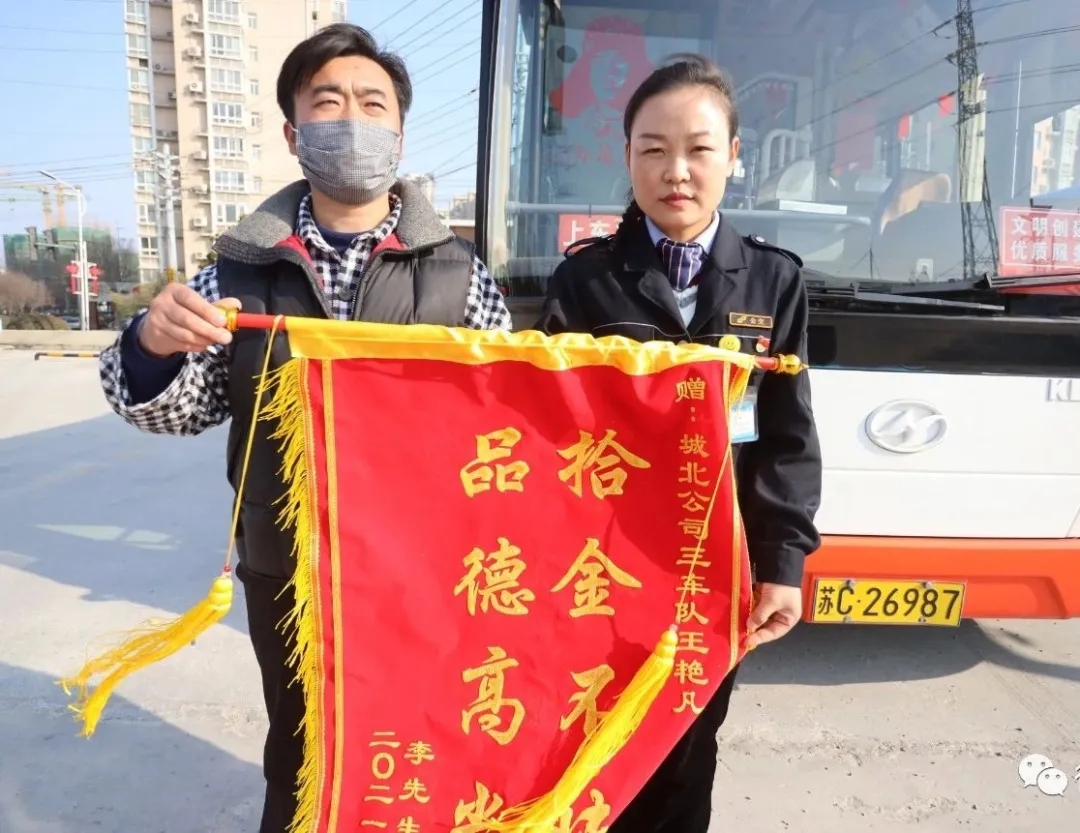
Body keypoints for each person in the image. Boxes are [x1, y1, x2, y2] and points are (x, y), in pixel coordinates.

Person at [97, 23, 513, 833]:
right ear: (294, 134)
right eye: (328, 102)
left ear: (399, 134)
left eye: (372, 103)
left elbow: (505, 422)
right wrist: (151, 344)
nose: (351, 119)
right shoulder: (237, 272)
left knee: (416, 739)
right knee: (302, 750)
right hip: (286, 565)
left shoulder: (459, 276)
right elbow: (177, 406)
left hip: (423, 572)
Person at [534, 54, 822, 833]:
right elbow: (545, 427)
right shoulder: (585, 282)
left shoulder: (773, 282)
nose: (676, 172)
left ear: (734, 155)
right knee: (593, 739)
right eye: (653, 149)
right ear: (628, 157)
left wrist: (783, 562)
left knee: (689, 748)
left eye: (698, 149)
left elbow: (787, 436)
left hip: (713, 570)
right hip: (602, 565)